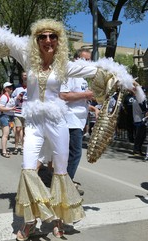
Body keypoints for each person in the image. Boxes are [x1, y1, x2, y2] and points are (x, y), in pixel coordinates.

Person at [0, 15, 139, 240]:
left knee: (60, 170)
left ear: (58, 41)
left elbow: (99, 70)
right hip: (35, 122)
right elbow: (7, 39)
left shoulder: (64, 66)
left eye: (52, 36)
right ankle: (31, 221)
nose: (47, 40)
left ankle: (57, 220)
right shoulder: (27, 58)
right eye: (42, 36)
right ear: (37, 40)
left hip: (58, 122)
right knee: (28, 168)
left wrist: (128, 81)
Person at [59, 48, 93, 196]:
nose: (87, 63)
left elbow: (80, 99)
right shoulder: (70, 74)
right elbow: (64, 95)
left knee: (69, 154)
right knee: (75, 153)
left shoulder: (83, 78)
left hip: (79, 120)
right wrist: (87, 94)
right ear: (75, 60)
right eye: (84, 59)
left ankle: (63, 180)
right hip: (70, 120)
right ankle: (65, 184)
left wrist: (91, 105)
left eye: (89, 60)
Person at [0, 82, 17, 158]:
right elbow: (1, 108)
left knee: (8, 134)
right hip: (5, 116)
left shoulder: (10, 97)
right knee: (5, 134)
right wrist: (11, 109)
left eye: (11, 87)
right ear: (6, 88)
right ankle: (4, 151)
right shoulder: (4, 97)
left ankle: (5, 149)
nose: (11, 88)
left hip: (10, 117)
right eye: (9, 87)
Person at [11, 71, 27, 155]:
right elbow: (12, 99)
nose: (25, 77)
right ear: (22, 77)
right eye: (24, 75)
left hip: (27, 112)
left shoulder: (31, 88)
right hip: (18, 112)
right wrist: (17, 98)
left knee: (25, 131)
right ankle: (16, 147)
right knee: (18, 129)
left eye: (27, 75)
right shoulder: (17, 89)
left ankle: (23, 147)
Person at [132, 90, 148, 156]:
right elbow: (144, 110)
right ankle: (136, 150)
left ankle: (138, 150)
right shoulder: (140, 100)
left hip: (138, 119)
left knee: (141, 136)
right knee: (139, 136)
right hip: (140, 120)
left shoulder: (136, 99)